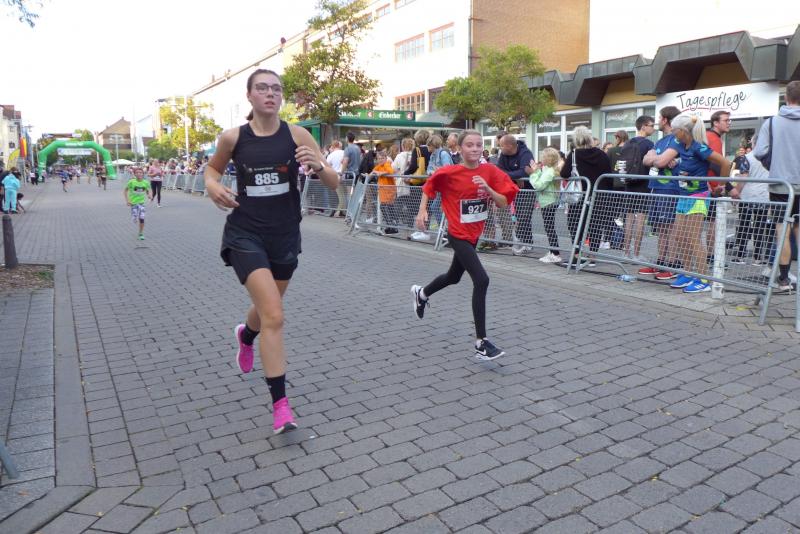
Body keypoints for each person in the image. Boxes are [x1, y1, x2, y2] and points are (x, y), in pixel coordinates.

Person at [204, 69, 338, 434]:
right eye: (262, 88)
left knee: (268, 309)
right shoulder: (234, 137)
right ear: (249, 95)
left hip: (285, 235)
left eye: (276, 89)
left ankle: (246, 335)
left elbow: (333, 182)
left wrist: (319, 166)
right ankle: (281, 406)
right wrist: (212, 186)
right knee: (275, 315)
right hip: (245, 234)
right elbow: (211, 171)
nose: (270, 93)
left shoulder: (297, 135)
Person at [410, 129, 518, 361]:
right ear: (459, 148)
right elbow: (429, 187)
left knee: (453, 277)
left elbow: (503, 202)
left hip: (474, 234)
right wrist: (422, 210)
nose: (475, 148)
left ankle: (422, 293)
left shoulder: (490, 171)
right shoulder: (449, 172)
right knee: (482, 279)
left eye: (479, 144)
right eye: (469, 145)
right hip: (457, 233)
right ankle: (481, 342)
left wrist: (489, 189)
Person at [648, 112, 732, 293]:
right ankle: (687, 273)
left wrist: (721, 185)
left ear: (684, 131)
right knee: (680, 236)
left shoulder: (699, 147)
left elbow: (725, 163)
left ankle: (704, 279)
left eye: (675, 130)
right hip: (683, 195)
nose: (673, 133)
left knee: (693, 239)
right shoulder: (680, 144)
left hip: (698, 196)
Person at [754, 80, 800, 291]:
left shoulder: (771, 123)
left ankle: (783, 279)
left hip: (780, 185)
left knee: (783, 231)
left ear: (786, 97)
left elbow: (759, 152)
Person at [560, 125, 613, 266]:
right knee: (595, 224)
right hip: (599, 194)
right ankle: (593, 256)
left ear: (576, 140)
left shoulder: (574, 155)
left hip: (580, 195)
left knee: (575, 223)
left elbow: (564, 173)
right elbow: (609, 174)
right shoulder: (601, 154)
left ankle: (577, 254)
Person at [643, 105, 682, 280]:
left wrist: (657, 160)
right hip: (657, 188)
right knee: (660, 227)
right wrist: (658, 159)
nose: (657, 121)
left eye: (659, 118)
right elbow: (646, 160)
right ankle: (661, 261)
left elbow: (658, 162)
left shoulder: (676, 139)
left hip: (670, 188)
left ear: (665, 120)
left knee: (670, 226)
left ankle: (672, 263)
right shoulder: (659, 142)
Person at [496, 134, 535, 255]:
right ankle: (526, 242)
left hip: (527, 189)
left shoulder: (525, 153)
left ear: (509, 146)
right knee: (520, 216)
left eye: (501, 145)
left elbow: (525, 171)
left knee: (524, 216)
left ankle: (525, 242)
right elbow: (499, 170)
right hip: (513, 188)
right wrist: (515, 176)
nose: (499, 148)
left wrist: (512, 175)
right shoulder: (504, 154)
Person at [529, 147, 562, 263]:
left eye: (543, 156)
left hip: (549, 202)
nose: (541, 158)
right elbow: (540, 180)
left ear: (549, 158)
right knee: (549, 227)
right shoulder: (547, 169)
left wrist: (533, 173)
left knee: (549, 228)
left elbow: (538, 185)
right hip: (547, 201)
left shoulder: (550, 171)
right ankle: (553, 251)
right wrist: (537, 171)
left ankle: (555, 254)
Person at [124, 167, 152, 240]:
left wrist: (149, 195)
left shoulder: (146, 182)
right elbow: (125, 191)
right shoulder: (131, 182)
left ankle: (141, 233)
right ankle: (134, 216)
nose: (139, 174)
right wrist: (127, 200)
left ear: (143, 174)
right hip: (133, 203)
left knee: (142, 218)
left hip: (141, 203)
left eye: (140, 172)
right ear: (134, 174)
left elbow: (147, 190)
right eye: (137, 173)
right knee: (134, 217)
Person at [326, 140, 345, 217]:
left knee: (337, 196)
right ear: (339, 145)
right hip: (345, 176)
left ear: (333, 146)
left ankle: (337, 211)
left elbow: (326, 166)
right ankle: (342, 211)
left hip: (334, 177)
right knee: (344, 195)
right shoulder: (344, 153)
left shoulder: (331, 155)